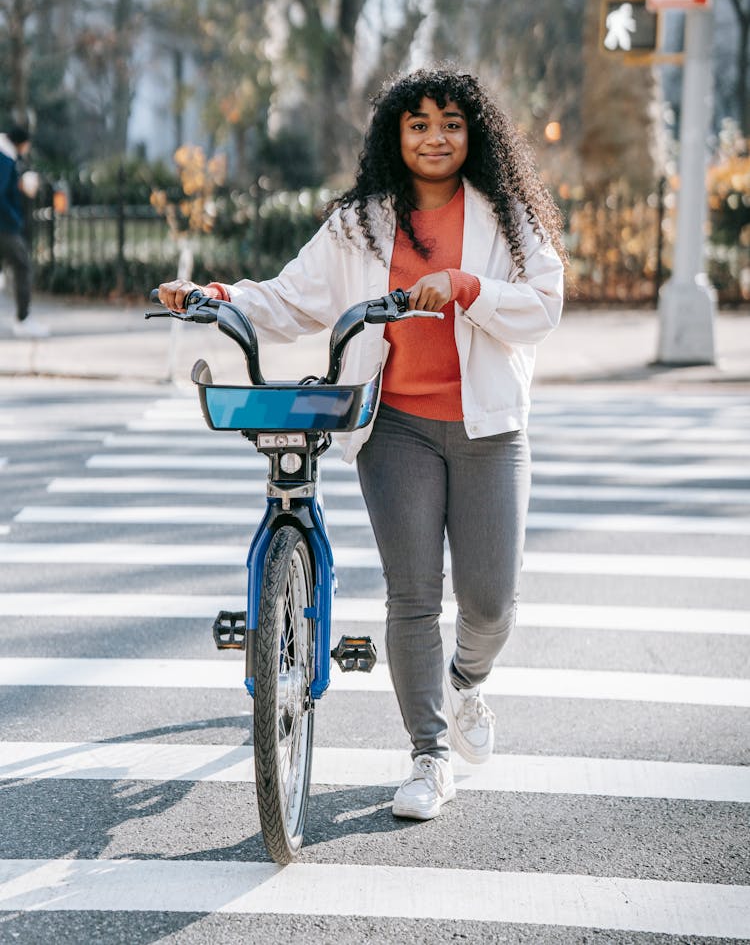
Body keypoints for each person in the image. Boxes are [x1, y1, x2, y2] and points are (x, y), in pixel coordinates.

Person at [158, 67, 565, 821]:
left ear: (472, 131)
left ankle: (466, 682)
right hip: (395, 425)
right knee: (413, 593)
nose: (435, 137)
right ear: (395, 136)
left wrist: (467, 288)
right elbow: (291, 296)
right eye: (418, 125)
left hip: (490, 427)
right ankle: (428, 755)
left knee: (490, 600)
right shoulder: (362, 221)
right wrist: (220, 297)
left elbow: (546, 304)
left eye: (449, 122)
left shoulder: (507, 216)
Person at [0, 122, 49, 338]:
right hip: (4, 226)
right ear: (21, 143)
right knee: (23, 266)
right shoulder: (5, 157)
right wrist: (15, 219)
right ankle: (23, 319)